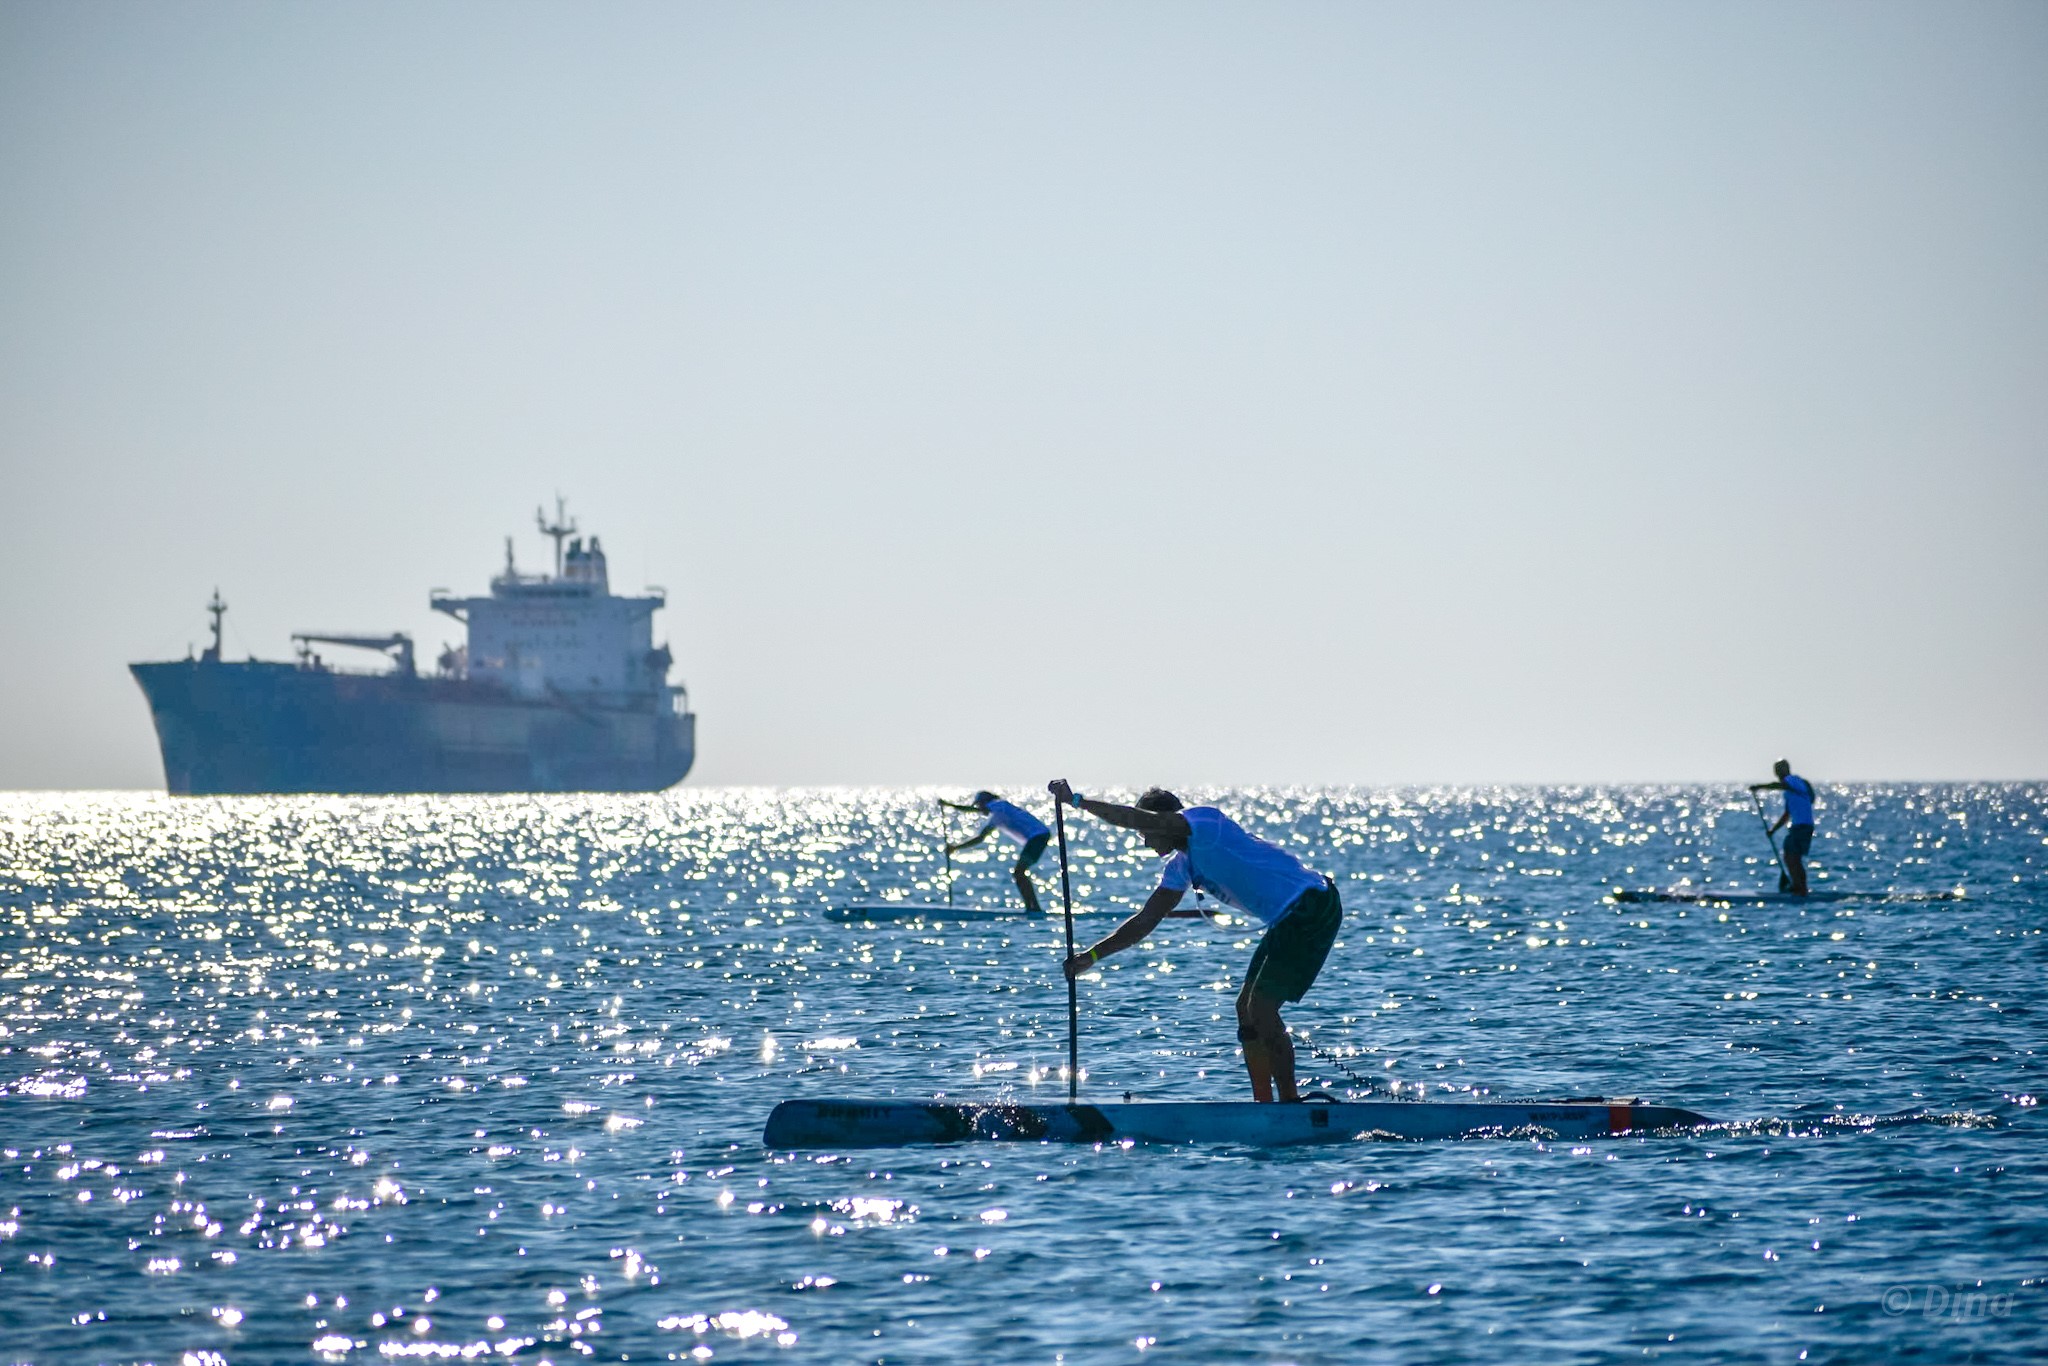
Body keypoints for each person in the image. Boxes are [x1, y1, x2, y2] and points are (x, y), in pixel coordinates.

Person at [1048, 781, 1341, 1103]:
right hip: (1287, 919)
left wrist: (1076, 801)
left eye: (1146, 832)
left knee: (1261, 1007)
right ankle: (1263, 1104)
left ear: (1160, 821)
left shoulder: (1205, 822)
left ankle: (1288, 1103)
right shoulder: (1180, 867)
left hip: (1311, 905)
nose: (1145, 842)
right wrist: (1091, 956)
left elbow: (1138, 819)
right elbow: (1146, 920)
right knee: (1245, 1009)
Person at [939, 791, 1050, 914]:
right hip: (1038, 836)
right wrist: (951, 806)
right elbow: (977, 817)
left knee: (1019, 872)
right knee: (1019, 873)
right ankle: (1032, 907)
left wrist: (955, 847)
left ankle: (1033, 908)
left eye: (979, 805)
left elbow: (980, 836)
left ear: (985, 803)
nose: (979, 810)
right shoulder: (999, 811)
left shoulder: (998, 808)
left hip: (1038, 837)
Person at [1749, 759, 1817, 895]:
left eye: (1780, 769)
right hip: (1799, 826)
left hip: (1802, 827)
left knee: (1792, 857)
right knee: (1791, 856)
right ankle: (1799, 886)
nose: (1778, 773)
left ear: (1785, 770)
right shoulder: (1789, 792)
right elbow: (1787, 815)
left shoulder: (1792, 780)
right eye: (1777, 770)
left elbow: (1779, 785)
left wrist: (1759, 787)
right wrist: (1773, 830)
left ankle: (1800, 888)